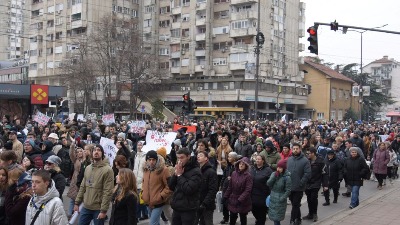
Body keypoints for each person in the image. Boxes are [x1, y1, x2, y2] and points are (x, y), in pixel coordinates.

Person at [74, 144, 114, 225]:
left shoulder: (108, 170)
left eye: (99, 150)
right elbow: (82, 187)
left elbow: (108, 191)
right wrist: (77, 202)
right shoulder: (88, 168)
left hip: (98, 208)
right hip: (86, 207)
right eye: (95, 150)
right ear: (91, 154)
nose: (96, 152)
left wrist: (103, 210)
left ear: (102, 153)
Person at [168, 147, 202, 225]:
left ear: (188, 157)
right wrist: (175, 175)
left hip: (188, 209)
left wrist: (180, 175)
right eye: (178, 158)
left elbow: (189, 189)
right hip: (177, 207)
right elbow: (171, 186)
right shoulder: (180, 168)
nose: (180, 160)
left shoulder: (196, 171)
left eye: (182, 157)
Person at [141, 150, 173, 225]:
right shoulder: (146, 169)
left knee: (153, 223)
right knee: (156, 223)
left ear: (156, 159)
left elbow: (169, 186)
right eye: (149, 159)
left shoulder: (164, 170)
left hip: (158, 202)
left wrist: (161, 196)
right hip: (147, 202)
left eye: (153, 159)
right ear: (146, 160)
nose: (151, 162)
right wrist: (143, 193)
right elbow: (144, 182)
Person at [224, 157, 253, 225]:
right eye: (240, 163)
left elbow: (248, 190)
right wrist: (225, 196)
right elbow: (230, 187)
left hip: (243, 200)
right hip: (233, 198)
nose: (241, 165)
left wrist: (240, 199)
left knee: (243, 217)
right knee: (232, 218)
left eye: (243, 164)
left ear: (246, 166)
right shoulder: (234, 173)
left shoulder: (248, 176)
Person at [287, 142, 311, 225]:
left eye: (297, 149)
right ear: (292, 149)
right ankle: (298, 218)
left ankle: (292, 220)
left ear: (300, 149)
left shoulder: (305, 160)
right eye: (294, 149)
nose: (295, 150)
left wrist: (301, 183)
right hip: (290, 186)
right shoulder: (289, 159)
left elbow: (307, 173)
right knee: (295, 204)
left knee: (295, 204)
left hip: (299, 187)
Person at [303, 147, 324, 222]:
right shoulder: (306, 161)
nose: (307, 155)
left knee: (313, 198)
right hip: (307, 183)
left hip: (316, 182)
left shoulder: (320, 161)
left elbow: (324, 173)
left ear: (313, 153)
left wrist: (325, 185)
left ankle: (315, 214)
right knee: (309, 198)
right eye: (307, 153)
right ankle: (310, 213)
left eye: (309, 153)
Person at [196, 151, 218, 225]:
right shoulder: (197, 171)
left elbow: (213, 189)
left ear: (206, 158)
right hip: (197, 203)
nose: (198, 157)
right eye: (198, 155)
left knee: (207, 222)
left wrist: (205, 203)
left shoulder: (211, 172)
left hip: (207, 205)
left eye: (201, 155)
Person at [267, 160, 292, 225]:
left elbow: (288, 190)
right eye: (278, 167)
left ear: (283, 168)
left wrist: (282, 198)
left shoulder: (287, 177)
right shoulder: (274, 174)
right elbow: (268, 184)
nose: (278, 169)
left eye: (280, 168)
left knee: (277, 218)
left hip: (280, 199)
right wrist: (274, 176)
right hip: (273, 198)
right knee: (274, 217)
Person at [251, 155, 273, 225]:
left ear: (263, 161)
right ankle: (259, 220)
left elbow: (271, 182)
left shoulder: (268, 170)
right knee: (254, 210)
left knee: (262, 213)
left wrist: (270, 194)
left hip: (263, 195)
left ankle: (260, 222)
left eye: (259, 159)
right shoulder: (252, 169)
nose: (257, 160)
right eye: (256, 159)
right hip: (253, 194)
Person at [220, 152, 239, 224]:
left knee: (232, 204)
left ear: (234, 158)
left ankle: (233, 218)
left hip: (233, 188)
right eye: (228, 157)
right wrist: (221, 185)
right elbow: (224, 176)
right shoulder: (227, 166)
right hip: (226, 187)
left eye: (230, 157)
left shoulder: (236, 167)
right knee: (225, 203)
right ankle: (225, 217)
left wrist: (232, 178)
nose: (228, 158)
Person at [133, 141, 148, 221]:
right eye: (138, 145)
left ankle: (136, 216)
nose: (139, 146)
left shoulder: (145, 156)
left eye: (141, 145)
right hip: (135, 180)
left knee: (138, 200)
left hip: (142, 180)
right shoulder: (136, 155)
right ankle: (145, 214)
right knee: (140, 199)